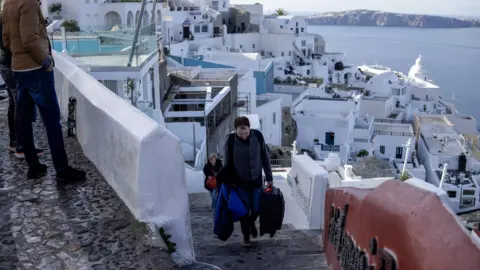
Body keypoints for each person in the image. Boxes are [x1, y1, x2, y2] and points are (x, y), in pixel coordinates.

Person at [2, 0, 86, 181]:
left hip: (18, 68)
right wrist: (45, 61)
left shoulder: (8, 3)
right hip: (35, 69)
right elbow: (29, 38)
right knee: (52, 121)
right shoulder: (29, 3)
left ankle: (33, 166)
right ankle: (62, 170)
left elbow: (6, 39)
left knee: (23, 118)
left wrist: (18, 55)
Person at [220, 116, 273, 247]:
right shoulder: (231, 140)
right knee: (244, 210)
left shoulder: (258, 137)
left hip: (256, 181)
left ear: (250, 128)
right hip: (239, 183)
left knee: (256, 208)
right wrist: (227, 182)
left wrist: (269, 177)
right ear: (235, 130)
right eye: (240, 133)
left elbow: (265, 158)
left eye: (246, 133)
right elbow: (227, 163)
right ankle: (246, 235)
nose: (243, 136)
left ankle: (251, 223)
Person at [0, 9, 44, 159]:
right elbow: (10, 41)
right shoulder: (10, 10)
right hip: (11, 64)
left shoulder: (5, 10)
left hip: (5, 64)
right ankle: (21, 147)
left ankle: (15, 143)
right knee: (20, 105)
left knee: (14, 103)